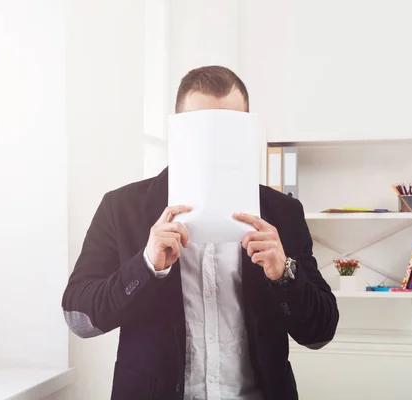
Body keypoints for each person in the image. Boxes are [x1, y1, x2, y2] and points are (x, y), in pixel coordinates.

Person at [62, 65, 339, 400]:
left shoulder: (282, 212)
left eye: (229, 129)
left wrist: (283, 275)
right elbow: (79, 320)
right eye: (202, 130)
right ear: (178, 133)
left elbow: (320, 333)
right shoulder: (122, 208)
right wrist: (146, 265)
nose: (215, 143)